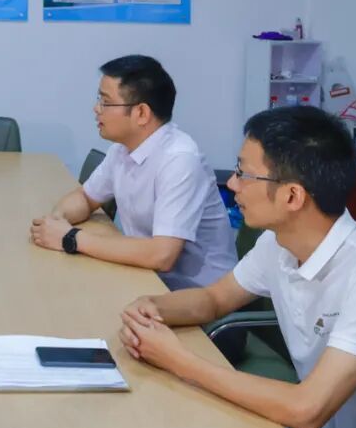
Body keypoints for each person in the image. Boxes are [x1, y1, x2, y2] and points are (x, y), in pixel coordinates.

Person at [118, 106, 356, 428]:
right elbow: (214, 300)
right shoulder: (278, 245)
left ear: (292, 196)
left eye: (244, 173)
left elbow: (307, 409)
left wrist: (177, 359)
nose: (233, 184)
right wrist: (153, 307)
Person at [30, 55, 236, 291]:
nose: (96, 109)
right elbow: (85, 197)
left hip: (198, 293)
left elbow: (162, 255)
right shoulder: (122, 149)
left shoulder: (180, 160)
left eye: (106, 102)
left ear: (141, 113)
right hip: (145, 276)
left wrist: (71, 238)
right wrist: (57, 220)